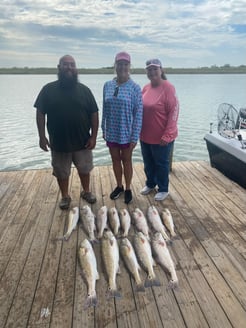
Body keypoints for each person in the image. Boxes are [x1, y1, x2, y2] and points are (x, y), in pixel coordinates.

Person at [34, 55, 99, 209]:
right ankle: (65, 196)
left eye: (72, 65)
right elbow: (40, 113)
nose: (69, 67)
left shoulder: (85, 90)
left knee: (84, 169)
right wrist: (42, 137)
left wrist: (94, 136)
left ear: (76, 68)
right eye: (65, 64)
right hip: (59, 142)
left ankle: (86, 191)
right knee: (61, 172)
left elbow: (94, 114)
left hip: (83, 141)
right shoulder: (48, 90)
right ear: (59, 67)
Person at [101, 52, 143, 204]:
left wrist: (134, 136)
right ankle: (118, 186)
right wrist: (103, 129)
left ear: (129, 66)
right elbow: (104, 108)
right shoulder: (107, 85)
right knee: (115, 160)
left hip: (126, 133)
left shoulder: (135, 88)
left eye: (126, 64)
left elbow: (138, 114)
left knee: (127, 160)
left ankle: (128, 188)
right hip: (111, 131)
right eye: (120, 64)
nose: (122, 67)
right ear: (115, 65)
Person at [140, 58, 179, 201]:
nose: (152, 72)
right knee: (148, 162)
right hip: (145, 135)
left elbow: (174, 111)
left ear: (161, 70)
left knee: (161, 163)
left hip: (162, 137)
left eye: (155, 69)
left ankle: (163, 188)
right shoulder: (145, 88)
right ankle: (150, 183)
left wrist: (168, 134)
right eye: (149, 70)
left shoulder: (168, 88)